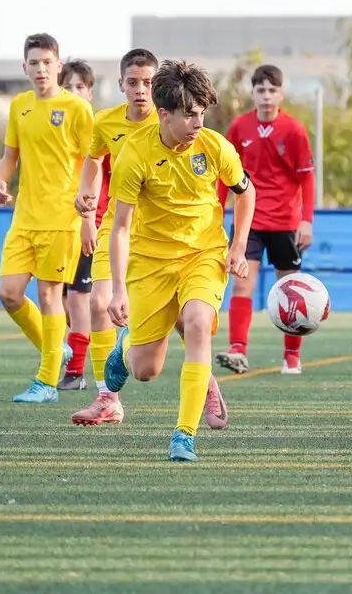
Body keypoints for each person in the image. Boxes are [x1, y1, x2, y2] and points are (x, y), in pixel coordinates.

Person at [102, 60, 255, 462]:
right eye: (188, 114)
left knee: (198, 323)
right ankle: (127, 345)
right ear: (164, 113)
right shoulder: (134, 154)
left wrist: (238, 247)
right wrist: (118, 290)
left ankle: (184, 436)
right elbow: (121, 228)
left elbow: (246, 192)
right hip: (151, 263)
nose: (198, 123)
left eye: (201, 113)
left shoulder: (215, 146)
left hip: (204, 254)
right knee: (145, 371)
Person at [0, 33, 94, 403]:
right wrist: (0, 181)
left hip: (62, 218)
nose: (41, 69)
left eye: (47, 62)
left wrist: (88, 215)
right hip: (24, 218)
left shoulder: (77, 109)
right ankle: (56, 350)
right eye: (34, 63)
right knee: (7, 293)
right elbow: (10, 156)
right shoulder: (20, 105)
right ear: (25, 67)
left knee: (50, 294)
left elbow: (93, 163)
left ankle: (47, 383)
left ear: (58, 66)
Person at [216, 64, 316, 375]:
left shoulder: (294, 130)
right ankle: (238, 350)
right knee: (241, 285)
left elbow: (307, 178)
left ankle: (291, 356)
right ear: (253, 93)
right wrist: (217, 209)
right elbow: (225, 174)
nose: (267, 96)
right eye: (261, 90)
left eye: (272, 90)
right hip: (249, 220)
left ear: (281, 94)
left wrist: (307, 220)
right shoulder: (239, 127)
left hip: (286, 221)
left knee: (290, 290)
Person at [57, 59, 99, 391]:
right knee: (58, 298)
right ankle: (74, 351)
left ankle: (75, 372)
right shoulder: (54, 128)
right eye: (66, 86)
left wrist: (89, 220)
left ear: (90, 93)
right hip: (57, 222)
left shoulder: (97, 130)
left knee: (79, 297)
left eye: (79, 87)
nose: (73, 93)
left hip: (89, 222)